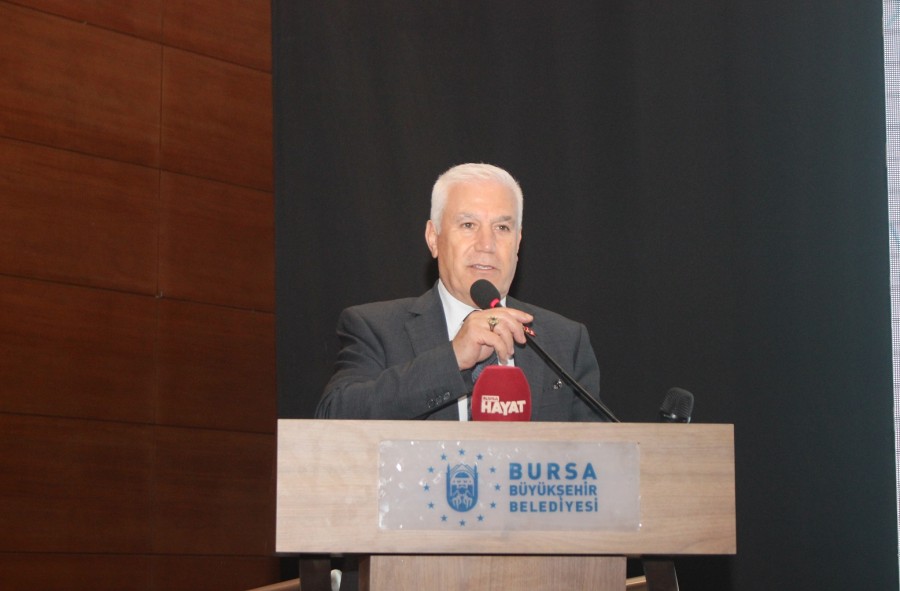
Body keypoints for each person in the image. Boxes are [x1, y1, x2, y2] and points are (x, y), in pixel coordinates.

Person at [315, 163, 605, 421]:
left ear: (518, 242)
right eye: (468, 225)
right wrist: (452, 359)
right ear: (433, 238)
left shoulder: (564, 341)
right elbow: (334, 415)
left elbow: (600, 453)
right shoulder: (376, 329)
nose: (487, 244)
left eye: (502, 228)